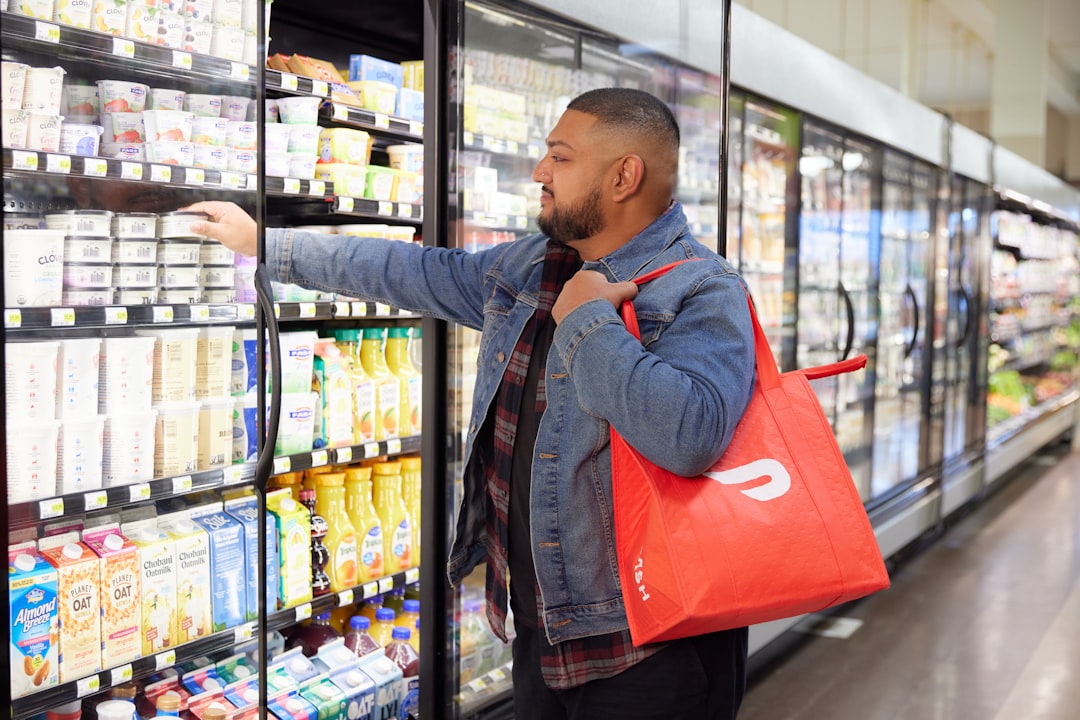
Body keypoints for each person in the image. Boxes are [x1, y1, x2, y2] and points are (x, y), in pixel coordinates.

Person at [187, 87, 756, 719]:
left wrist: (589, 320)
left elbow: (691, 433)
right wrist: (268, 245)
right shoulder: (531, 268)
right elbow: (409, 269)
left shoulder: (703, 288)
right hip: (545, 629)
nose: (540, 172)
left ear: (624, 175)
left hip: (655, 646)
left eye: (560, 158)